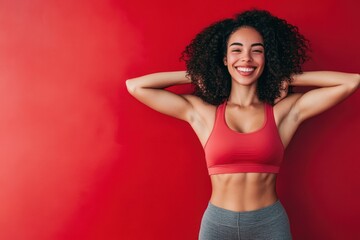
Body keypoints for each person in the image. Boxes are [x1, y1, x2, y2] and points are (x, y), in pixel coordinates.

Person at [125, 9, 359, 240]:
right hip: (217, 225)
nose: (246, 57)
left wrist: (287, 78)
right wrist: (197, 75)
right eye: (236, 50)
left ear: (267, 59)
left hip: (269, 224)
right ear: (225, 59)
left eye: (257, 51)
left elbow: (351, 82)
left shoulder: (282, 113)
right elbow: (136, 87)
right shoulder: (205, 113)